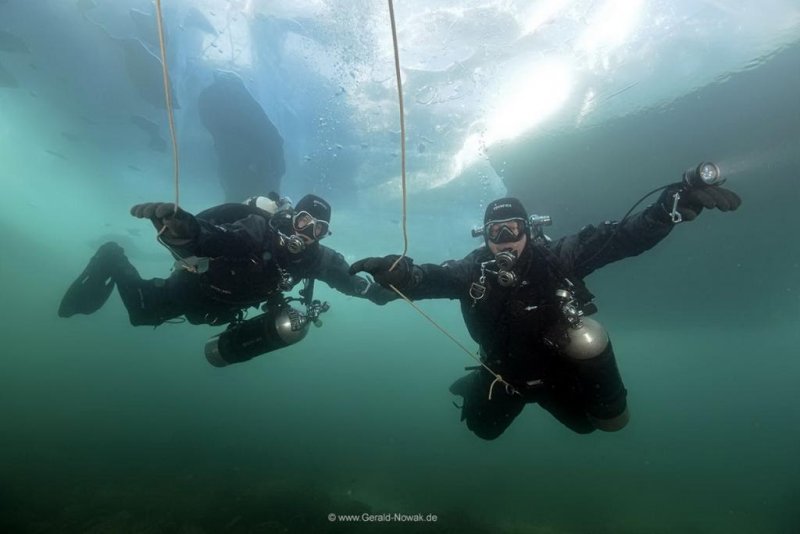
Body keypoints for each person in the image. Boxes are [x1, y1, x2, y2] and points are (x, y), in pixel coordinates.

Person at [350, 163, 741, 440]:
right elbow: (428, 278)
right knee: (481, 431)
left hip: (561, 372)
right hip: (504, 376)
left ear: (529, 231)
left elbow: (622, 238)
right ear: (483, 236)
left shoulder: (560, 257)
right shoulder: (472, 270)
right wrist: (402, 275)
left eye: (513, 229)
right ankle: (476, 381)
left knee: (592, 427)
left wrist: (666, 208)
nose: (505, 239)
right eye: (495, 231)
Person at [59, 193, 394, 365]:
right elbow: (214, 237)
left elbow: (352, 280)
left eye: (319, 230)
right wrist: (185, 229)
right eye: (305, 222)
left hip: (221, 307)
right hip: (192, 290)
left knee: (147, 315)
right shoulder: (257, 230)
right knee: (141, 313)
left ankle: (113, 262)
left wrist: (384, 292)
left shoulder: (317, 258)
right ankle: (112, 257)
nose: (308, 234)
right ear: (292, 217)